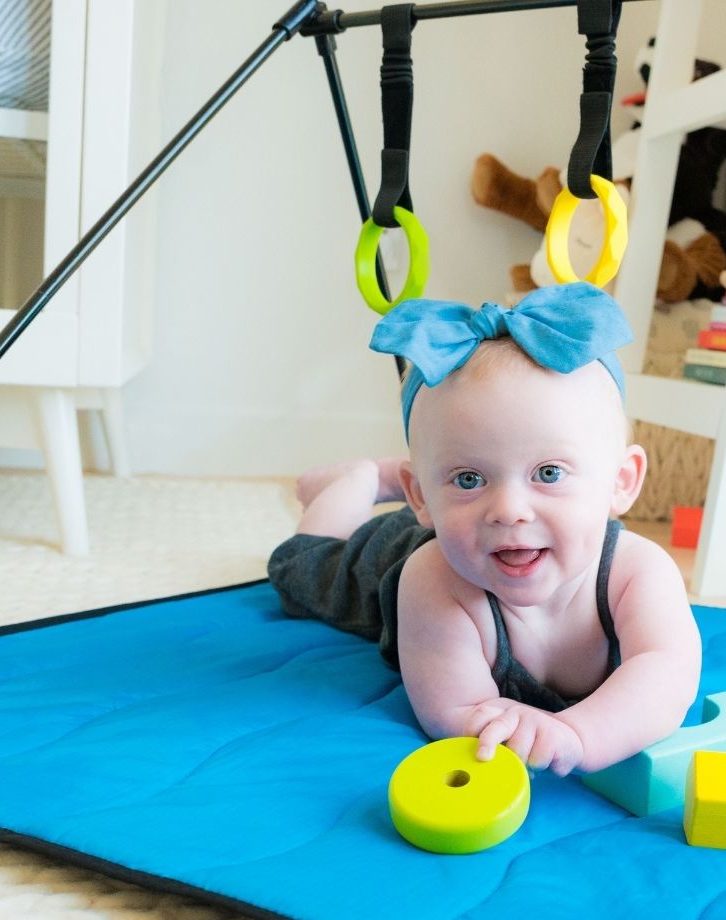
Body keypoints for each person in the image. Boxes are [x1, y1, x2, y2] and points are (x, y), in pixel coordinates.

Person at [269, 283, 702, 777]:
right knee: (299, 568)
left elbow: (668, 670)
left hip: (464, 533)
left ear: (621, 482)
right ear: (421, 499)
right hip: (405, 551)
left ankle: (416, 475)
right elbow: (455, 710)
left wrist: (581, 734)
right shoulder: (431, 581)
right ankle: (360, 480)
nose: (511, 510)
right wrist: (504, 726)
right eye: (470, 478)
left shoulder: (638, 572)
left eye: (549, 473)